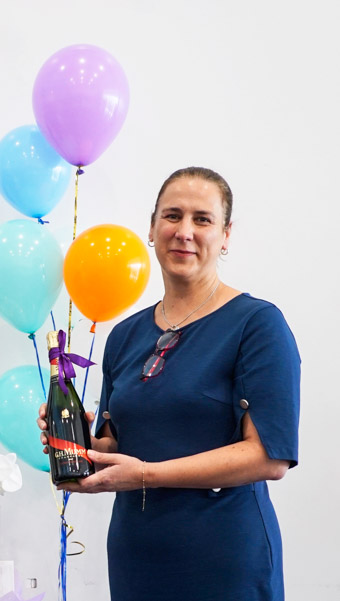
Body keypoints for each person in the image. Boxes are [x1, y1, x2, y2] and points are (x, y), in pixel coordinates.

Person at [38, 167, 300, 601]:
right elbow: (114, 445)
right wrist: (73, 439)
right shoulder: (124, 336)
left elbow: (268, 457)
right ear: (152, 227)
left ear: (226, 235)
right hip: (136, 555)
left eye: (202, 219)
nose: (184, 232)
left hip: (223, 557)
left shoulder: (257, 325)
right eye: (172, 216)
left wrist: (145, 475)